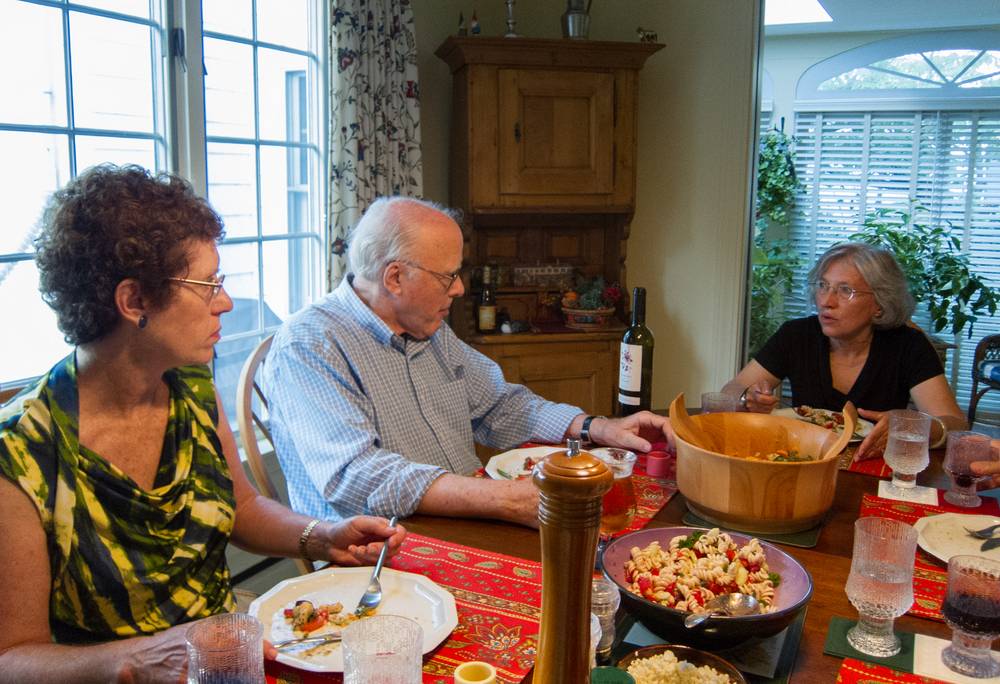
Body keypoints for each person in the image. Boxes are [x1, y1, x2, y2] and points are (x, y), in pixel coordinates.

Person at [0, 165, 406, 683]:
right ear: (134, 301)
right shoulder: (21, 454)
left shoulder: (193, 391)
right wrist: (134, 662)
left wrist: (322, 537)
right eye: (208, 284)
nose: (226, 302)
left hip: (226, 657)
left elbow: (240, 507)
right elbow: (11, 657)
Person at [263, 196, 672, 528]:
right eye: (448, 276)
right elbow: (357, 476)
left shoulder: (428, 328)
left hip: (469, 515)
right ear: (394, 278)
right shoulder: (310, 345)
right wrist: (505, 500)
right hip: (384, 554)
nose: (459, 289)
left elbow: (500, 403)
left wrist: (596, 427)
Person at [722, 242, 966, 460]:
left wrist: (912, 426)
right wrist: (747, 399)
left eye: (845, 290)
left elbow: (956, 426)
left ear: (879, 305)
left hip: (874, 470)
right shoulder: (796, 335)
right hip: (803, 461)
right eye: (823, 286)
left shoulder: (908, 345)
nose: (827, 301)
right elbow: (731, 390)